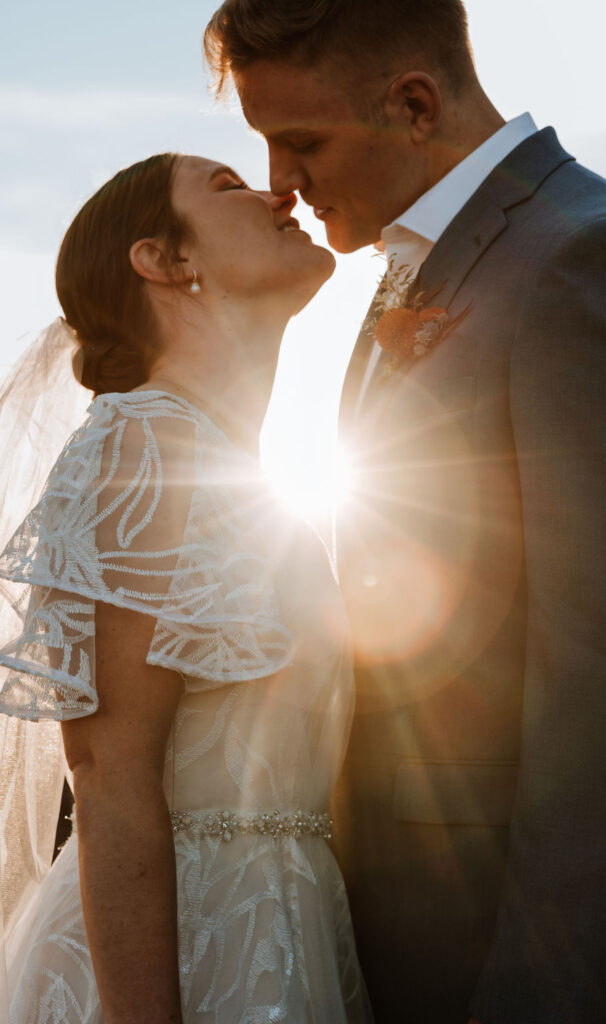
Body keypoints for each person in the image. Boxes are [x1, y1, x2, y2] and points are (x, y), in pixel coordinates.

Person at [203, 2, 606, 1022]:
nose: (280, 183)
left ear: (411, 104)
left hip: (513, 957)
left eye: (300, 142)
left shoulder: (584, 259)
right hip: (401, 941)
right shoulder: (424, 266)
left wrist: (538, 991)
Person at [0, 152, 374, 1023]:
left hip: (282, 930)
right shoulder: (140, 449)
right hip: (183, 954)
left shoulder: (234, 465)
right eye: (229, 187)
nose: (278, 190)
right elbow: (107, 773)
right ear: (166, 263)